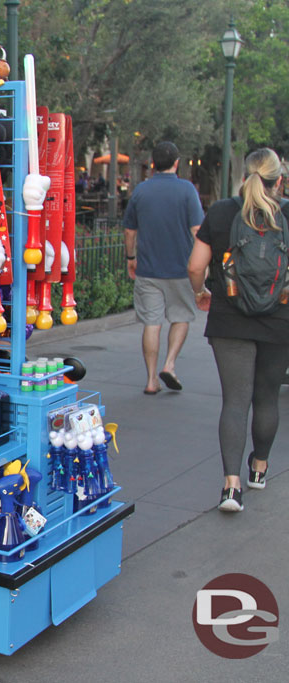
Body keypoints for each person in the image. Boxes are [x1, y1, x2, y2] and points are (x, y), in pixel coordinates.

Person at [187, 147, 289, 513]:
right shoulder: (287, 213)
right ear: (280, 179)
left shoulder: (222, 211)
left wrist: (201, 292)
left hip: (229, 317)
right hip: (280, 319)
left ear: (245, 175)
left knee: (235, 401)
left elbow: (196, 265)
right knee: (266, 396)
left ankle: (231, 488)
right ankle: (258, 469)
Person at [123, 141, 204, 394]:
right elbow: (197, 230)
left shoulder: (141, 191)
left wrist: (131, 257)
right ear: (177, 163)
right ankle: (169, 365)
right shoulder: (187, 190)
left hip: (148, 269)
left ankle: (150, 380)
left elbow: (129, 230)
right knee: (180, 318)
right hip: (181, 268)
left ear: (153, 164)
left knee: (152, 322)